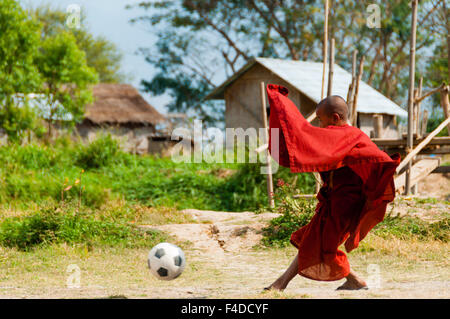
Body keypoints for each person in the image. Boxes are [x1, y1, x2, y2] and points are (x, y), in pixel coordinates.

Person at [265, 84, 400, 291]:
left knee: (321, 246)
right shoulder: (336, 139)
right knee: (311, 241)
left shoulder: (353, 138)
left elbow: (376, 158)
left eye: (321, 119)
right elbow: (310, 147)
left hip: (345, 204)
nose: (319, 125)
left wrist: (384, 172)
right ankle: (284, 283)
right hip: (332, 201)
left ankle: (281, 284)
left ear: (335, 118)